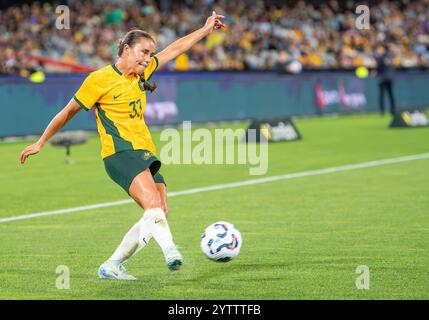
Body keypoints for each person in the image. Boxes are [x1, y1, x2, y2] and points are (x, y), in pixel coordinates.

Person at [19, 11, 226, 280]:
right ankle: (170, 250)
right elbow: (67, 112)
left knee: (159, 211)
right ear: (126, 49)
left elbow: (175, 48)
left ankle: (112, 265)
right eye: (143, 51)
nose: (147, 58)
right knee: (152, 203)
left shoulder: (143, 72)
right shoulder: (99, 79)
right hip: (118, 153)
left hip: (144, 151)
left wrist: (205, 30)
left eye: (151, 53)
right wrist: (41, 142)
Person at [373, 45, 396, 116]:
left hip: (385, 78)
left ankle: (388, 110)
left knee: (387, 95)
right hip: (387, 78)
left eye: (379, 49)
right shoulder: (387, 56)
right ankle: (384, 111)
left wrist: (375, 72)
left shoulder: (383, 57)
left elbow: (380, 67)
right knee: (386, 95)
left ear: (383, 49)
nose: (378, 50)